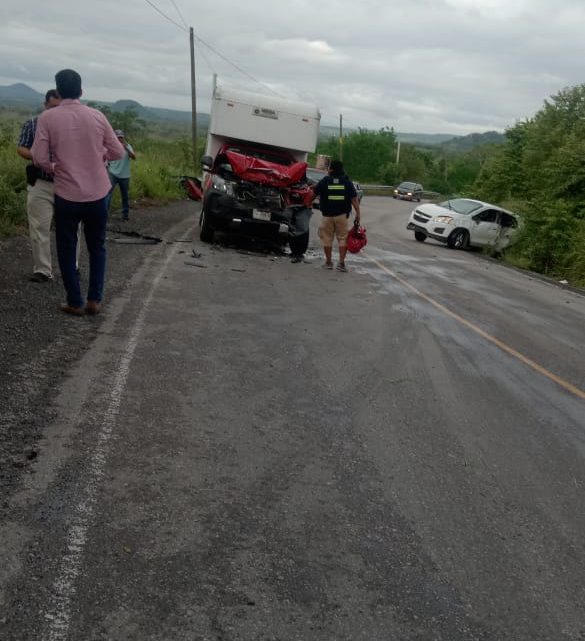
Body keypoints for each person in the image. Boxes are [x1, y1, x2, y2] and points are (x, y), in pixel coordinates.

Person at [31, 69, 125, 316]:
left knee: (66, 247)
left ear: (58, 91)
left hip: (66, 194)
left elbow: (38, 157)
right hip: (97, 194)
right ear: (81, 91)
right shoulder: (97, 115)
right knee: (97, 247)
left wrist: (54, 167)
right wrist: (100, 156)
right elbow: (118, 152)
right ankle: (95, 299)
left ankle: (74, 301)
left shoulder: (48, 118)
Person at [16, 89, 61, 282]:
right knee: (39, 227)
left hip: (66, 183)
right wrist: (38, 157)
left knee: (71, 228)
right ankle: (43, 269)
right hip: (41, 182)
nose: (55, 112)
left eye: (59, 108)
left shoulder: (71, 127)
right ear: (45, 105)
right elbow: (21, 147)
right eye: (52, 107)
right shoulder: (33, 124)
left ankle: (72, 267)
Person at [311, 159, 361, 272]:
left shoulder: (325, 181)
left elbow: (314, 194)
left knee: (327, 239)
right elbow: (354, 199)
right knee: (343, 239)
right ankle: (341, 264)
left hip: (327, 216)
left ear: (331, 169)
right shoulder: (347, 182)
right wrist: (358, 214)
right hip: (342, 216)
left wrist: (307, 204)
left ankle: (328, 263)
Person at [106, 129, 136, 221]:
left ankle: (125, 215)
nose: (119, 139)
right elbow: (106, 159)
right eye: (118, 137)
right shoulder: (110, 147)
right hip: (113, 174)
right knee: (108, 195)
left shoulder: (128, 146)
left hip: (125, 176)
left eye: (121, 138)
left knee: (125, 196)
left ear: (123, 138)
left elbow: (134, 157)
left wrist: (126, 147)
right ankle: (105, 215)